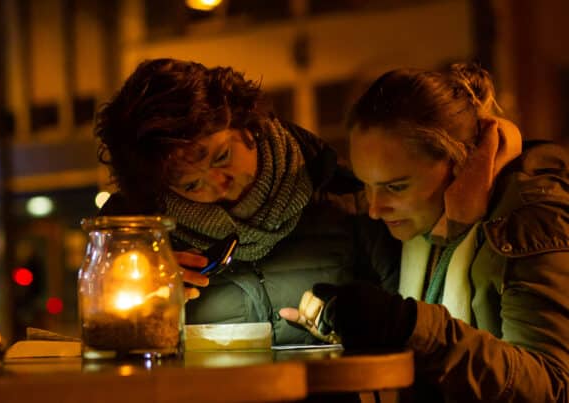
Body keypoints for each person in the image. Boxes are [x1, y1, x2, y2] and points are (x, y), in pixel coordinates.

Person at [280, 63, 569, 402]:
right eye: (367, 185)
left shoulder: (530, 220)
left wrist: (410, 326)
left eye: (396, 187)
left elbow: (553, 386)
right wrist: (343, 323)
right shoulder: (424, 220)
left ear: (460, 162)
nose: (375, 209)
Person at [94, 58, 398, 345]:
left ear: (246, 121)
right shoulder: (141, 243)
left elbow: (403, 327)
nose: (218, 183)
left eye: (222, 156)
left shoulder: (345, 196)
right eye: (191, 185)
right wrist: (140, 308)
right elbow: (112, 348)